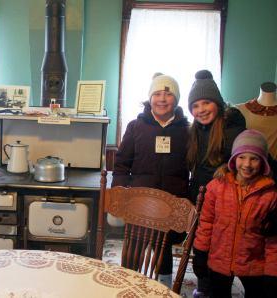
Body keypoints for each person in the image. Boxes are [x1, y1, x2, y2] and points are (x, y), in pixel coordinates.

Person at [112, 73, 190, 287]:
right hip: (140, 201)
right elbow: (121, 164)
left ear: (177, 99)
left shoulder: (186, 130)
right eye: (157, 94)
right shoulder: (136, 127)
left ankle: (164, 286)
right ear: (149, 98)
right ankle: (127, 283)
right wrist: (119, 194)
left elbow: (191, 167)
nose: (162, 99)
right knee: (134, 246)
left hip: (171, 202)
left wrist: (187, 199)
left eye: (168, 94)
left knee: (163, 247)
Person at [193, 129, 277, 298]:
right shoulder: (216, 186)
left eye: (254, 158)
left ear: (263, 162)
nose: (247, 164)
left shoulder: (270, 194)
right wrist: (200, 252)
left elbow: (273, 240)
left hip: (253, 262)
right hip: (219, 259)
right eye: (241, 157)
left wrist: (272, 272)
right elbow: (206, 223)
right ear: (233, 159)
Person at [186, 70, 246, 297]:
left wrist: (227, 169)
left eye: (206, 103)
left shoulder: (232, 129)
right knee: (200, 246)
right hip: (201, 199)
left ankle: (218, 289)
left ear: (217, 103)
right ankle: (204, 287)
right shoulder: (196, 131)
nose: (201, 110)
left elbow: (244, 163)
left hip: (225, 202)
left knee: (220, 250)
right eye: (196, 105)